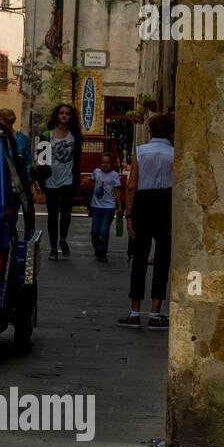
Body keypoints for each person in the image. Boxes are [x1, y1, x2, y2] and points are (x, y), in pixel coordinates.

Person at [118, 114, 174, 331]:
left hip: (143, 204)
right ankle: (156, 313)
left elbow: (132, 185)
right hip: (165, 204)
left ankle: (134, 312)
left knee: (139, 258)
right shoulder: (174, 153)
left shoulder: (141, 151)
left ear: (150, 131)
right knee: (162, 260)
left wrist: (129, 213)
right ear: (171, 132)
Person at [39, 103, 82, 260]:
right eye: (61, 113)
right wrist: (41, 178)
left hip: (68, 180)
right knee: (52, 215)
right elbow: (42, 160)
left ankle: (63, 239)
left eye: (67, 113)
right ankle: (53, 248)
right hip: (51, 180)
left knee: (65, 214)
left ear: (71, 117)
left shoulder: (75, 136)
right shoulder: (46, 135)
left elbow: (77, 160)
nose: (64, 115)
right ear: (57, 115)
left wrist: (77, 180)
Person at [89, 153, 122, 261]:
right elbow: (90, 179)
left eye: (108, 163)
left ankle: (103, 253)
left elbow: (117, 192)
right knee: (94, 231)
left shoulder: (114, 175)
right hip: (96, 206)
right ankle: (97, 246)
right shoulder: (96, 172)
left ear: (111, 164)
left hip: (109, 207)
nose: (105, 165)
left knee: (104, 231)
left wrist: (120, 206)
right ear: (100, 163)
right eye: (103, 162)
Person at [0, 107, 31, 184]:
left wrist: (29, 182)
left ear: (7, 120)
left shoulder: (22, 139)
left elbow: (27, 162)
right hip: (1, 179)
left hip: (18, 181)